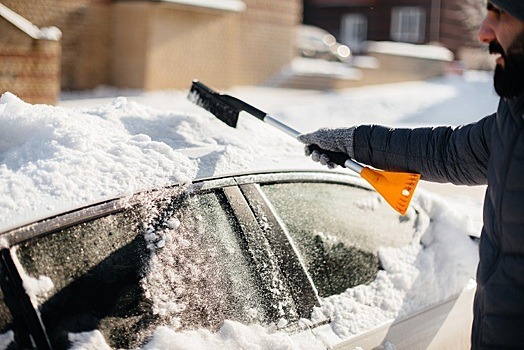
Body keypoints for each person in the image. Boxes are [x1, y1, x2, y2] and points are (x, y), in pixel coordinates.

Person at [297, 1, 524, 349]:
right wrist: (354, 142)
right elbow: (450, 152)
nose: (483, 32)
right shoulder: (514, 114)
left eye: (503, 15)